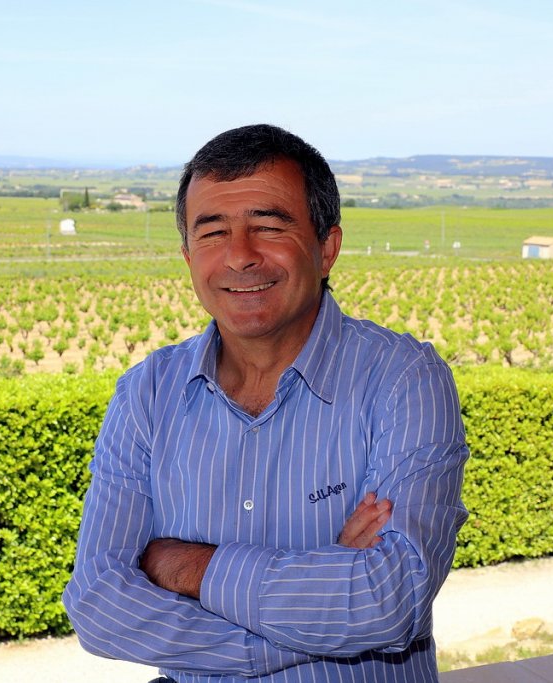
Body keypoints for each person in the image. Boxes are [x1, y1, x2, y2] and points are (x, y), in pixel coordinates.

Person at [63, 124, 469, 682]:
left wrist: (183, 565)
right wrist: (322, 606)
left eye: (268, 226)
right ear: (187, 255)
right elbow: (99, 607)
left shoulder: (403, 380)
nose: (239, 257)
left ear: (326, 247)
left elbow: (389, 599)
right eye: (213, 233)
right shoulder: (147, 393)